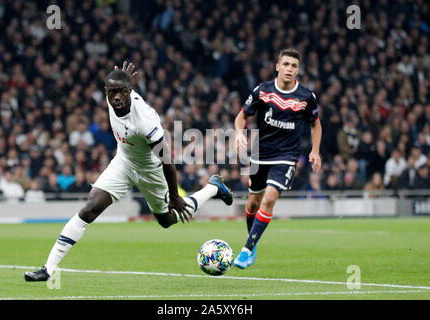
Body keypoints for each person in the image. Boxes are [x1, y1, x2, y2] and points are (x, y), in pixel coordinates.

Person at [24, 62, 233, 281]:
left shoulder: (144, 121)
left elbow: (167, 161)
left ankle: (212, 188)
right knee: (90, 208)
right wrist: (123, 79)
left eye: (122, 91)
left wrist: (174, 196)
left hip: (152, 169)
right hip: (124, 162)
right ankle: (48, 269)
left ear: (129, 91)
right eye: (112, 91)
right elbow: (118, 85)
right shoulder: (112, 96)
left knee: (167, 220)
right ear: (106, 92)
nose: (116, 97)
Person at [232, 49, 322, 269]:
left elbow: (315, 124)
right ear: (277, 66)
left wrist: (315, 150)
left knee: (269, 199)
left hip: (287, 156)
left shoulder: (306, 97)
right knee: (253, 203)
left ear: (298, 70)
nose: (290, 69)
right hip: (260, 154)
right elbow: (241, 116)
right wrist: (238, 133)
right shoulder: (263, 91)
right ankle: (252, 244)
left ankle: (246, 249)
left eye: (294, 66)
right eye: (286, 64)